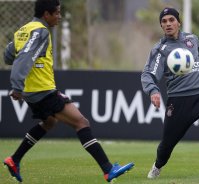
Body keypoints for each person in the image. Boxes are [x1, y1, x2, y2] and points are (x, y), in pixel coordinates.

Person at [3, 0, 134, 182]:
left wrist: (22, 83)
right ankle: (108, 169)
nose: (59, 16)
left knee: (49, 122)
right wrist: (16, 85)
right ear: (46, 14)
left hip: (31, 92)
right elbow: (24, 58)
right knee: (81, 122)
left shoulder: (23, 30)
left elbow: (9, 55)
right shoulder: (40, 31)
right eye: (56, 13)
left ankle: (14, 159)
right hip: (43, 90)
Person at [141, 7, 199, 183]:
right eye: (164, 21)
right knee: (167, 145)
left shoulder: (193, 40)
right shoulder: (160, 49)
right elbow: (148, 74)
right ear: (161, 25)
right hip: (178, 101)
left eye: (171, 20)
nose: (168, 24)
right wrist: (153, 90)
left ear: (179, 22)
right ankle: (158, 165)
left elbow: (197, 64)